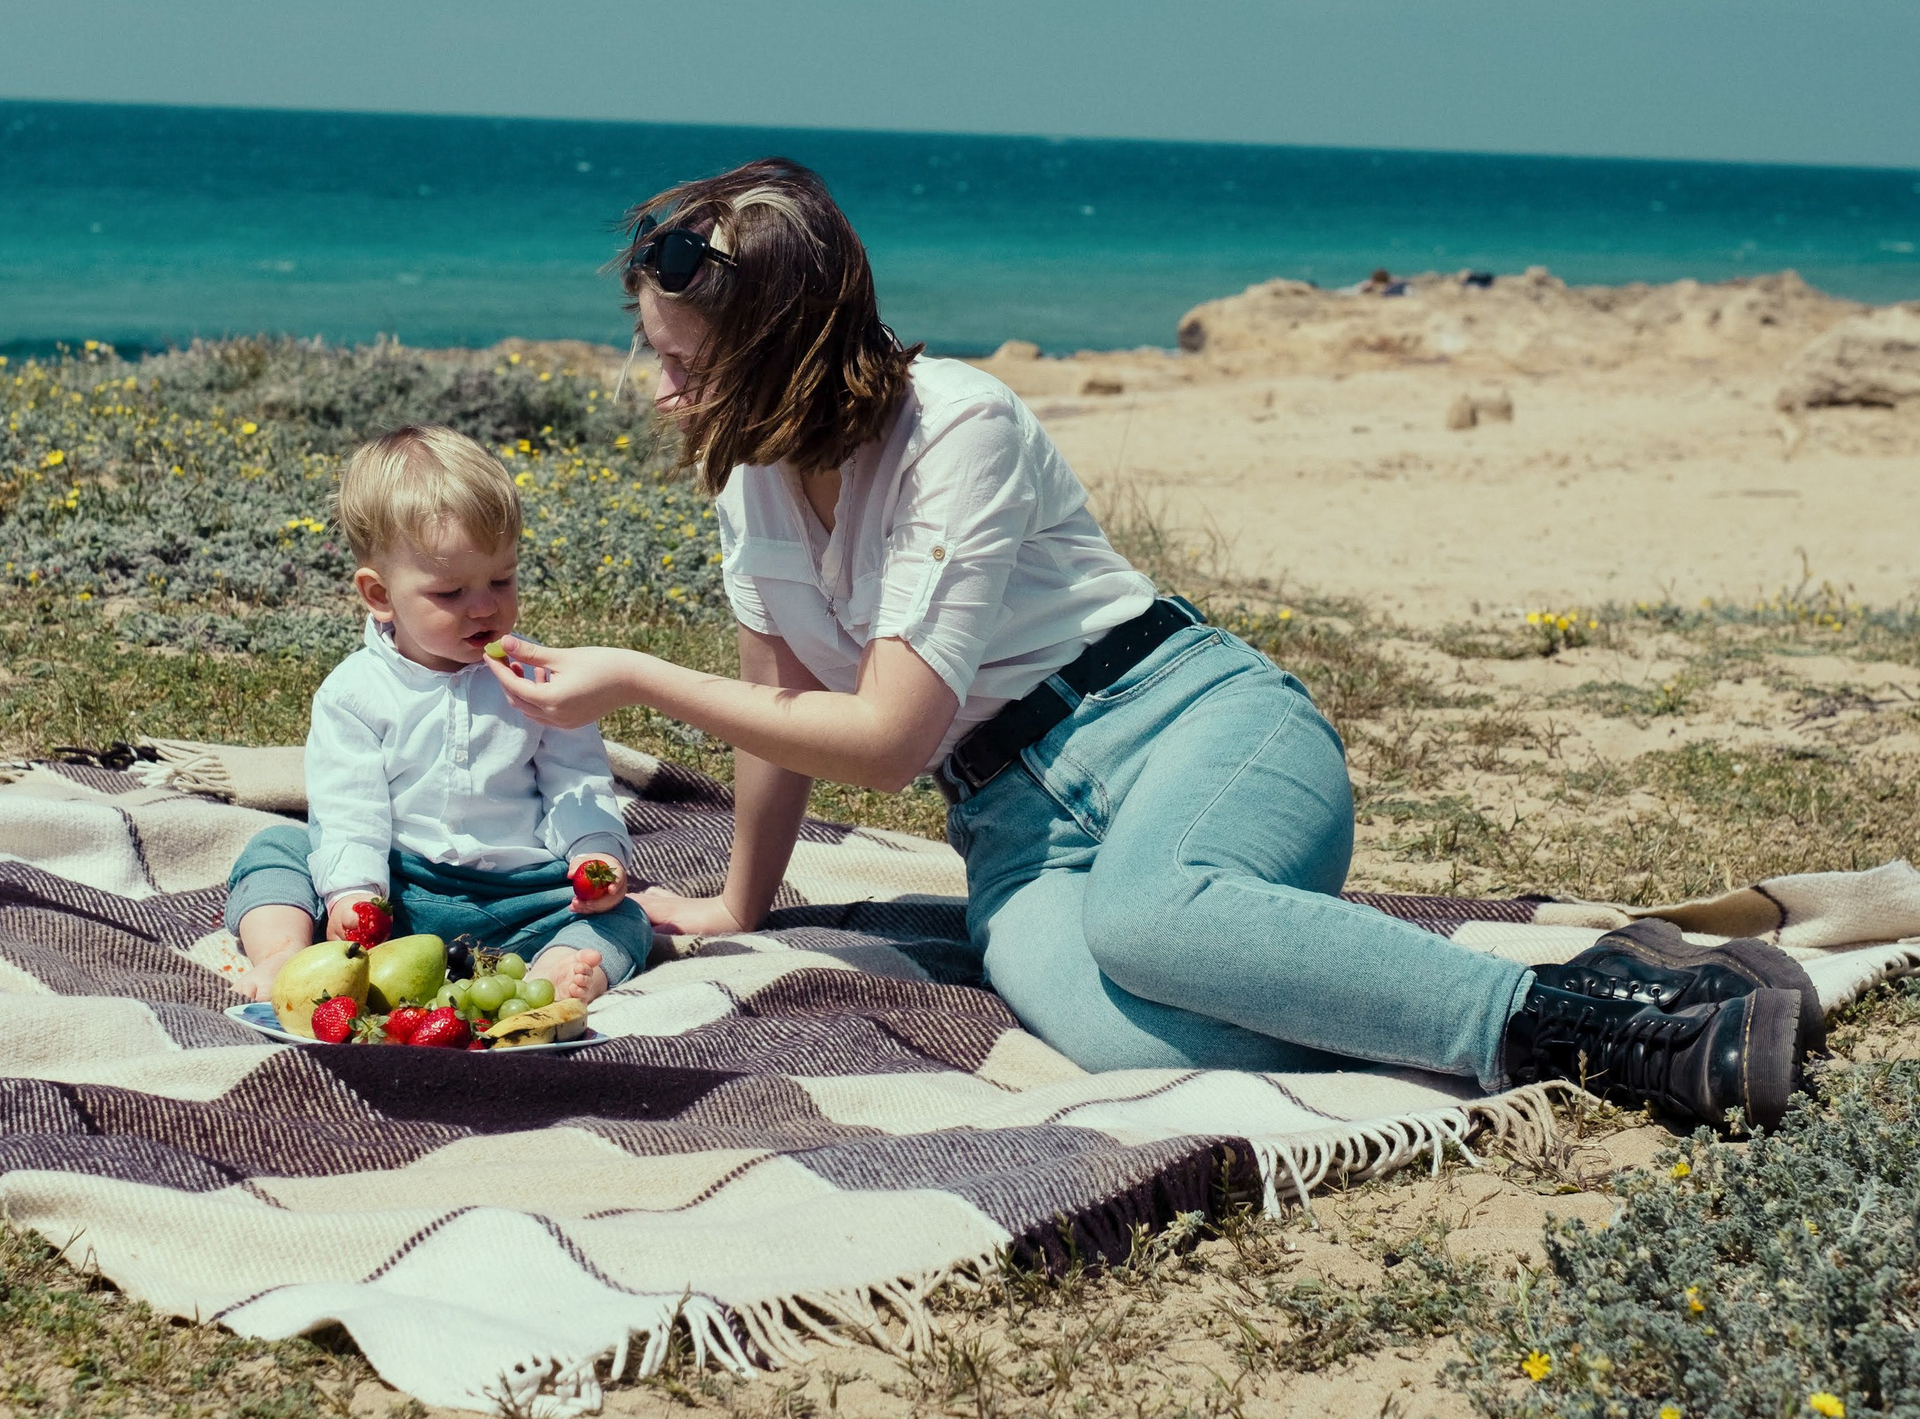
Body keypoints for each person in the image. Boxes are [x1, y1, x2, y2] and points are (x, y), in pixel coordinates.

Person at [486, 159, 1813, 1131]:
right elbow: (777, 708)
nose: (660, 390)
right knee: (1137, 1042)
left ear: (782, 352)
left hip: (1186, 720)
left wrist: (635, 679)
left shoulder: (959, 429)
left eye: (688, 363)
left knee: (1150, 915)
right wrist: (741, 901)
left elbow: (883, 741)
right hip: (1011, 824)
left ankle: (1586, 1026)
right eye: (654, 353)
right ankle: (1614, 993)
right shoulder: (751, 479)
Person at [223, 426, 652, 1004]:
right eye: (450, 593)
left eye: (502, 579)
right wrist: (353, 893)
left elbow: (577, 780)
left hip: (521, 899)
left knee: (626, 918)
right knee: (278, 848)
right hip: (398, 892)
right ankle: (285, 954)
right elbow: (348, 807)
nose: (485, 605)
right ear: (380, 595)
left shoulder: (539, 679)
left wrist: (595, 852)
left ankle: (556, 969)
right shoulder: (355, 693)